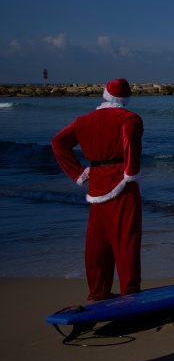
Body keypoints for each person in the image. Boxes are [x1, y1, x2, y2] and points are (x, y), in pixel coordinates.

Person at [51, 79, 143, 302]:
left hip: (96, 184)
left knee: (97, 244)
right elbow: (130, 144)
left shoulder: (84, 121)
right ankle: (129, 294)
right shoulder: (130, 119)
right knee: (126, 241)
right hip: (122, 183)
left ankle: (98, 293)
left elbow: (58, 142)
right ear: (126, 98)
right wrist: (130, 173)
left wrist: (78, 172)